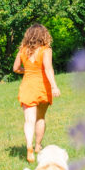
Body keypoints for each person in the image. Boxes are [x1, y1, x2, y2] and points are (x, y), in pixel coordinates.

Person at [13, 24, 61, 162]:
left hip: (27, 86)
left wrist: (27, 71)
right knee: (40, 118)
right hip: (42, 87)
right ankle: (38, 146)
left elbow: (16, 68)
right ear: (44, 35)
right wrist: (54, 86)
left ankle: (29, 146)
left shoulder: (22, 50)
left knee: (29, 120)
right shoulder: (46, 50)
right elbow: (48, 69)